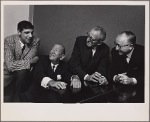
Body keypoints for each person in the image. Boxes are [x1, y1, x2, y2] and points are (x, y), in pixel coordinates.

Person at [4, 20, 40, 102]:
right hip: (7, 74)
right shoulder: (9, 40)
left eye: (32, 32)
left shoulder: (35, 41)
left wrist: (26, 62)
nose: (30, 35)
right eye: (26, 33)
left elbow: (27, 58)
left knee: (23, 70)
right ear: (19, 32)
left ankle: (17, 96)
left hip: (23, 76)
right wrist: (30, 62)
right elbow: (9, 66)